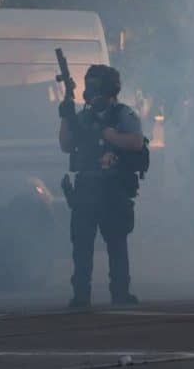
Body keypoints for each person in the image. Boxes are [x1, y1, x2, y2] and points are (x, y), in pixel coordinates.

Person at [59, 65, 144, 307]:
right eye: (88, 86)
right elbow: (66, 145)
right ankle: (81, 295)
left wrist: (111, 136)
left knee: (116, 243)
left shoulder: (123, 114)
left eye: (95, 86)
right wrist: (66, 116)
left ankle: (120, 293)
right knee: (82, 245)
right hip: (86, 186)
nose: (89, 91)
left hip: (113, 187)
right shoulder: (83, 117)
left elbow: (136, 142)